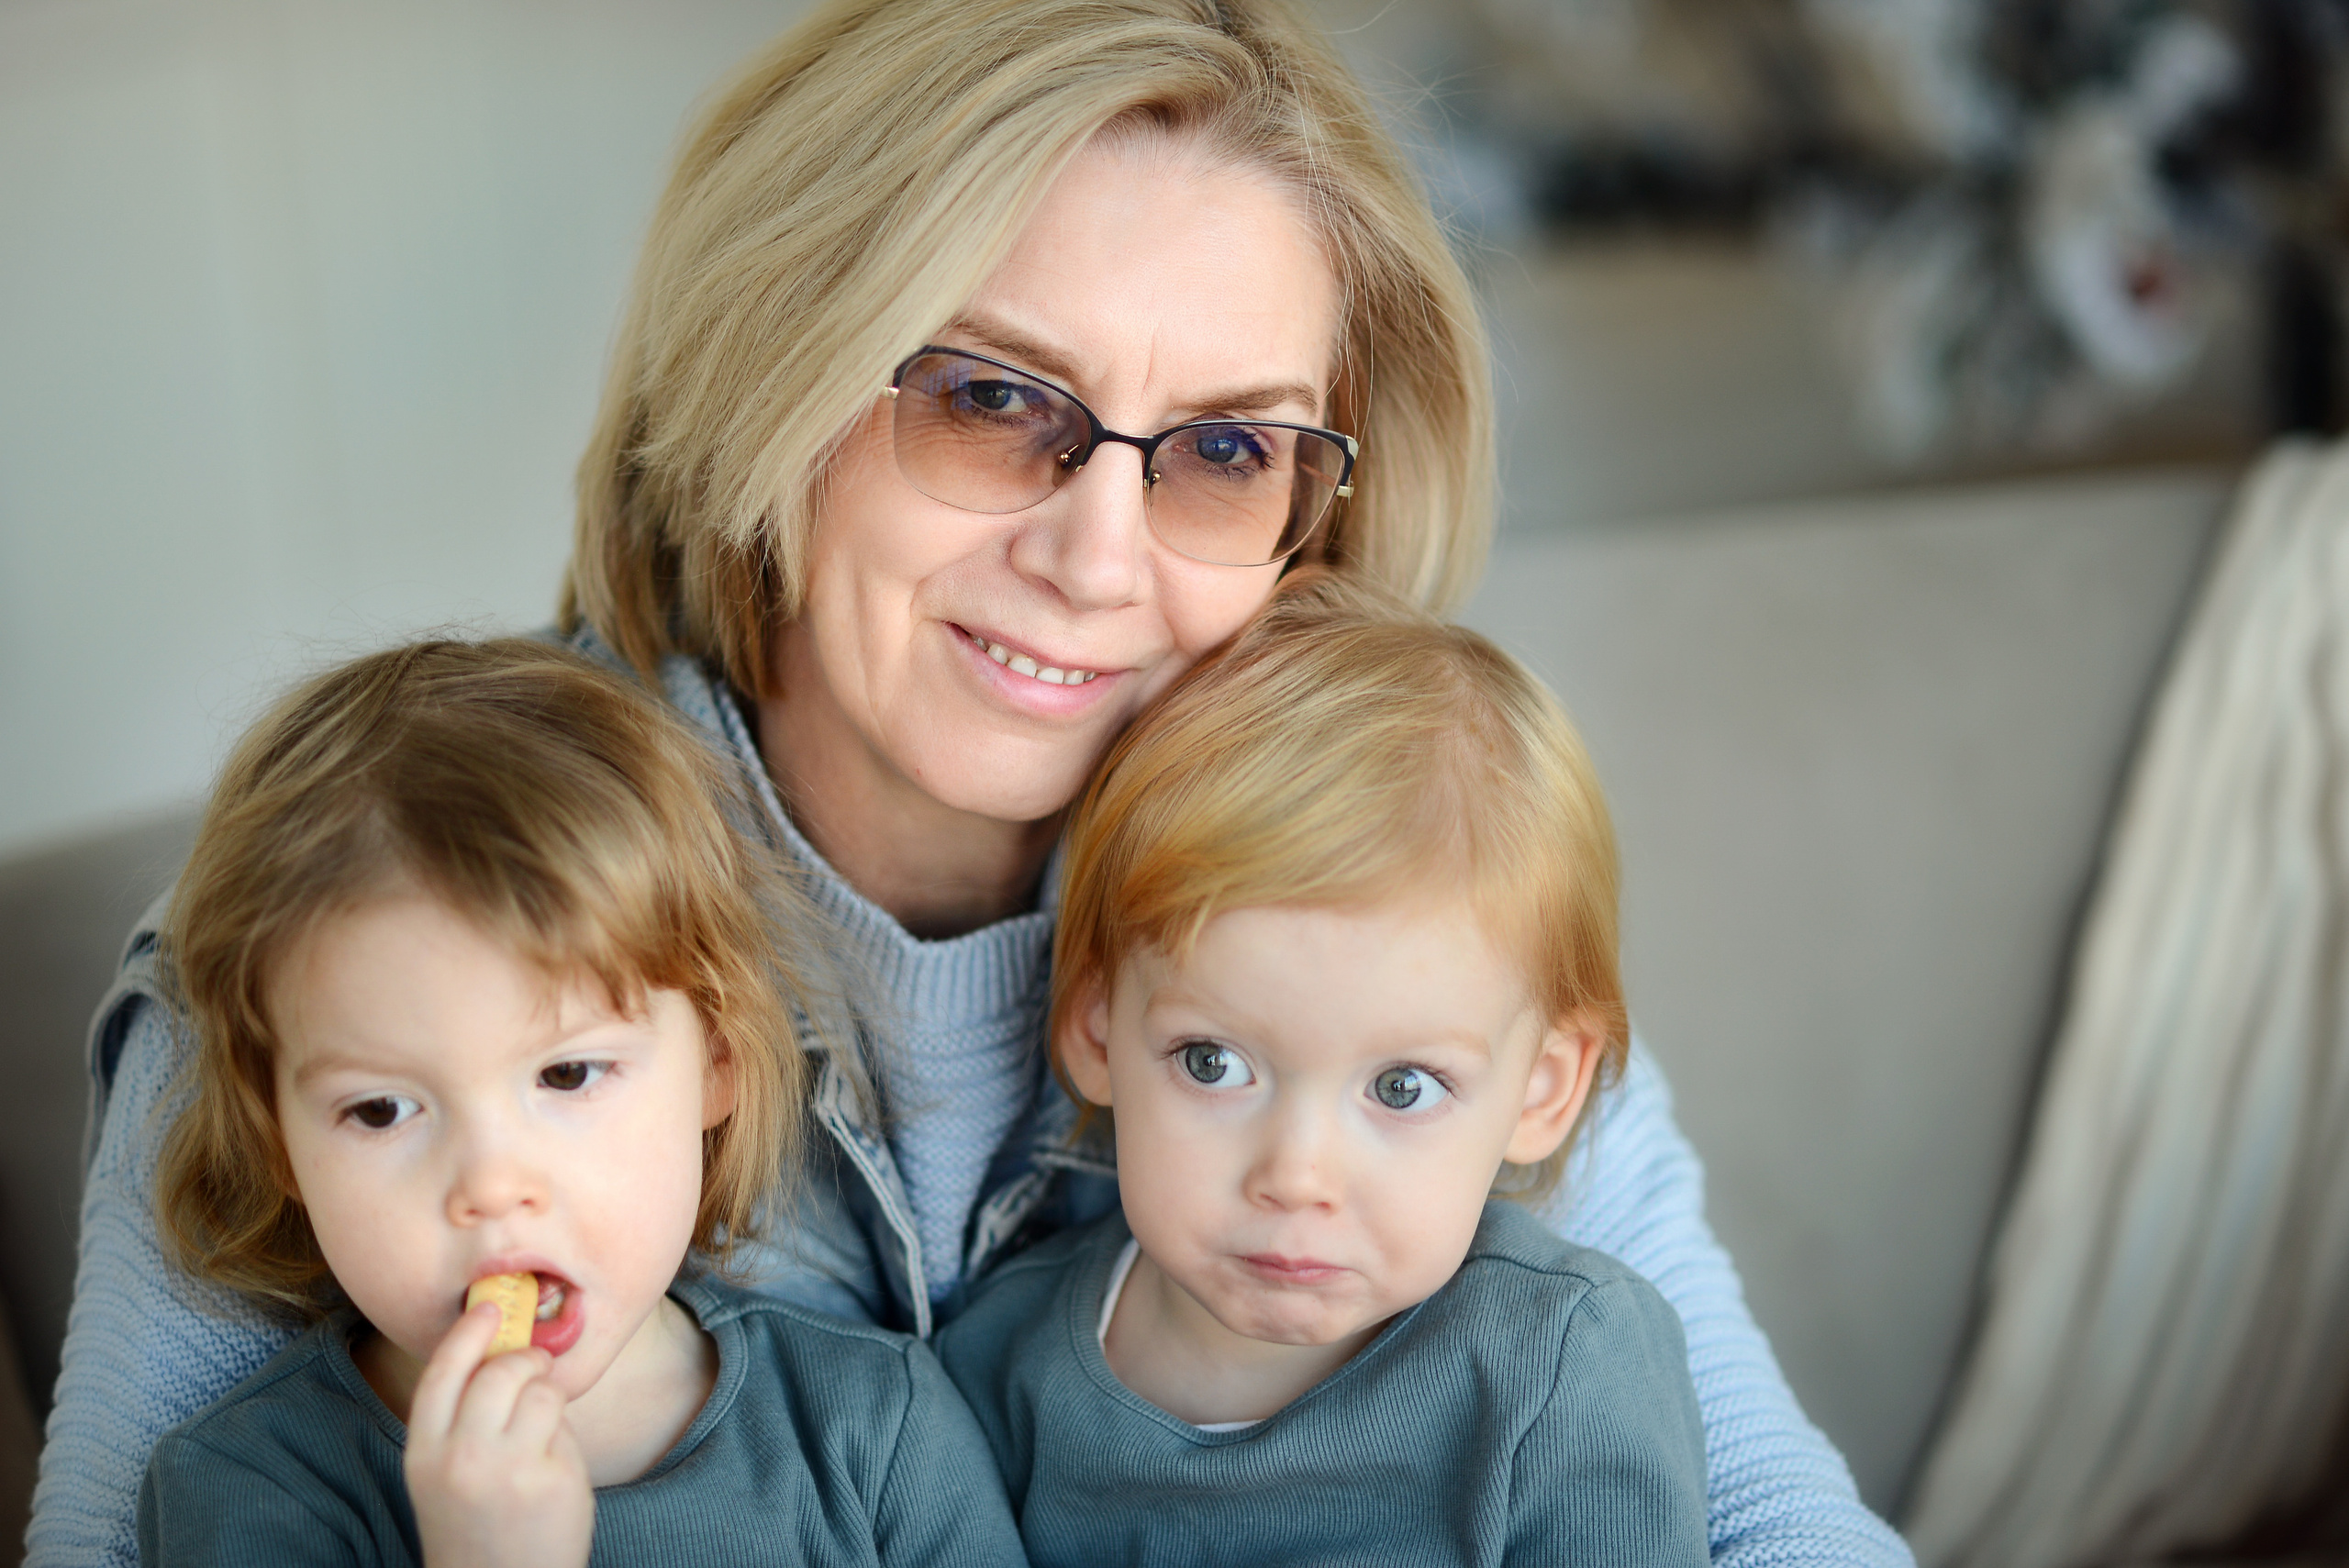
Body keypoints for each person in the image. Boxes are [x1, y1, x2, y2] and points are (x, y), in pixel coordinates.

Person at [32, 2, 1914, 1563]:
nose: (1098, 555)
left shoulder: (1408, 913)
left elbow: (1766, 1518)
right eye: (991, 399)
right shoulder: (377, 931)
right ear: (774, 382)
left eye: (1223, 449)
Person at [131, 638, 1024, 1568]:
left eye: (566, 1074)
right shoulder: (250, 1489)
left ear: (716, 1061)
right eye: (383, 1109)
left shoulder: (878, 1428)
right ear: (280, 1139)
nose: (490, 1184)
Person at [937, 572, 1710, 1565]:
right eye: (1212, 1062)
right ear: (1092, 1025)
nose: (1295, 1173)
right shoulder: (998, 1361)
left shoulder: (1562, 1368)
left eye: (1401, 1087)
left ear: (1541, 1090)